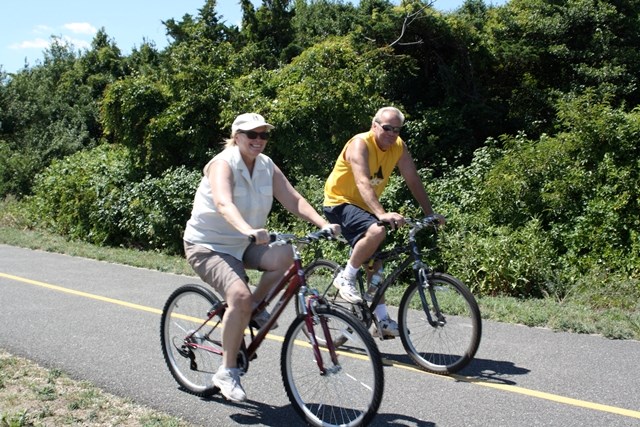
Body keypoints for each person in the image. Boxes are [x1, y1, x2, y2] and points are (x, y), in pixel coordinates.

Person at [183, 113, 340, 403]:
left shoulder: (266, 165)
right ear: (237, 136)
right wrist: (249, 230)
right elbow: (222, 202)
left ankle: (255, 306)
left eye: (263, 135)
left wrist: (322, 224)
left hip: (244, 242)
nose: (258, 140)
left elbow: (293, 199)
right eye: (251, 134)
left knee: (286, 255)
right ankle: (226, 371)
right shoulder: (223, 163)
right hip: (208, 245)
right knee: (238, 297)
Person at [323, 106, 445, 338]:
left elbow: (413, 179)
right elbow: (361, 181)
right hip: (340, 201)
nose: (392, 134)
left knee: (375, 258)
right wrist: (381, 214)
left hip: (365, 205)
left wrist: (430, 212)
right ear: (374, 125)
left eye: (397, 130)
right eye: (387, 128)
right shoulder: (360, 143)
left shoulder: (398, 147)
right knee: (377, 232)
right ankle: (345, 277)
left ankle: (382, 320)